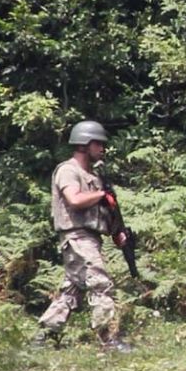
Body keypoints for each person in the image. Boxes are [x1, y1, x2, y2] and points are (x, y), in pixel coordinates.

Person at [34, 119, 131, 351]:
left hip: (90, 238)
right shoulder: (68, 171)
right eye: (98, 144)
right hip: (77, 237)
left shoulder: (96, 178)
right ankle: (109, 340)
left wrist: (116, 232)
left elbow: (103, 213)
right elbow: (75, 200)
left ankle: (43, 337)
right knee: (101, 284)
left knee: (72, 291)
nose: (102, 149)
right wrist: (101, 195)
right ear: (84, 144)